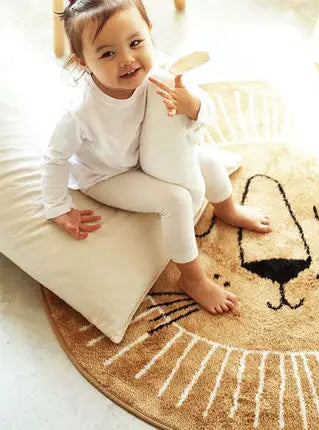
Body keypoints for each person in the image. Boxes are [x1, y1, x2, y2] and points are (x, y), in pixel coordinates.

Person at [41, 0, 272, 315]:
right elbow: (54, 158)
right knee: (176, 200)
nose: (127, 59)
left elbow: (206, 113)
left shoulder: (158, 73)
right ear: (83, 63)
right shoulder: (80, 113)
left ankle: (227, 209)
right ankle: (191, 279)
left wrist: (191, 105)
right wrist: (57, 207)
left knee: (205, 157)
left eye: (135, 43)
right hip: (106, 176)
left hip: (142, 155)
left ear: (149, 33)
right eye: (107, 54)